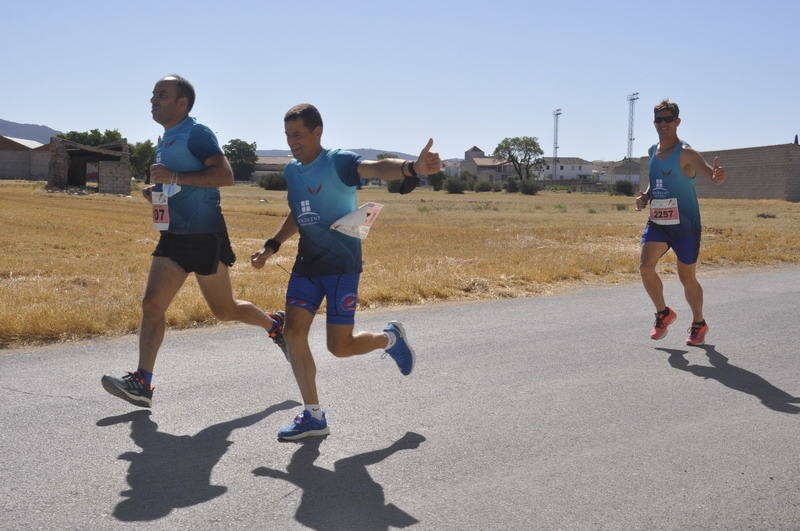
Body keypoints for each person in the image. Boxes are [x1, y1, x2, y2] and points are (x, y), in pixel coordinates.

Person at [250, 103, 441, 440]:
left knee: (339, 347)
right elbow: (298, 212)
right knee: (294, 334)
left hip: (342, 267)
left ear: (317, 131)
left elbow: (375, 167)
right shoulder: (293, 172)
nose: (292, 141)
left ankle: (390, 338)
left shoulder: (338, 161)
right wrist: (272, 245)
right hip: (307, 265)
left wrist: (412, 167)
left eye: (297, 134)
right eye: (287, 136)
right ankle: (313, 416)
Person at [101, 74, 286, 408]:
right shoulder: (165, 139)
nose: (153, 100)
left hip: (203, 234)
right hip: (173, 235)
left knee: (224, 310)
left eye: (162, 95)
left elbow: (224, 176)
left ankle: (275, 326)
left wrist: (173, 178)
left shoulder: (197, 133)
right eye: (152, 95)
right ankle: (143, 382)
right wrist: (157, 193)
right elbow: (177, 186)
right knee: (152, 305)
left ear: (182, 103)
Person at [636, 99, 725, 346]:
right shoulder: (653, 151)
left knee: (686, 276)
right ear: (654, 122)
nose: (663, 124)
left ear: (677, 122)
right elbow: (656, 181)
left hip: (685, 226)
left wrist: (718, 176)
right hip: (658, 222)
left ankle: (699, 323)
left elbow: (711, 175)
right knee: (645, 267)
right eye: (658, 120)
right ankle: (663, 313)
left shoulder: (686, 153)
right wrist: (646, 195)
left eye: (668, 119)